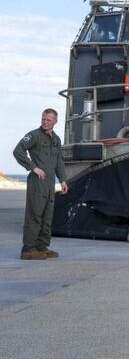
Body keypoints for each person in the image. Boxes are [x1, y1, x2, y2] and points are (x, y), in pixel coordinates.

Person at [13, 108, 69, 260]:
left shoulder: (56, 139)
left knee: (47, 216)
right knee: (34, 215)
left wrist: (63, 180)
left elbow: (59, 161)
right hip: (37, 182)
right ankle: (28, 250)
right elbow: (18, 151)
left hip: (50, 183)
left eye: (48, 120)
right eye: (43, 119)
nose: (45, 122)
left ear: (55, 121)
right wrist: (33, 167)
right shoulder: (34, 135)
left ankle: (42, 247)